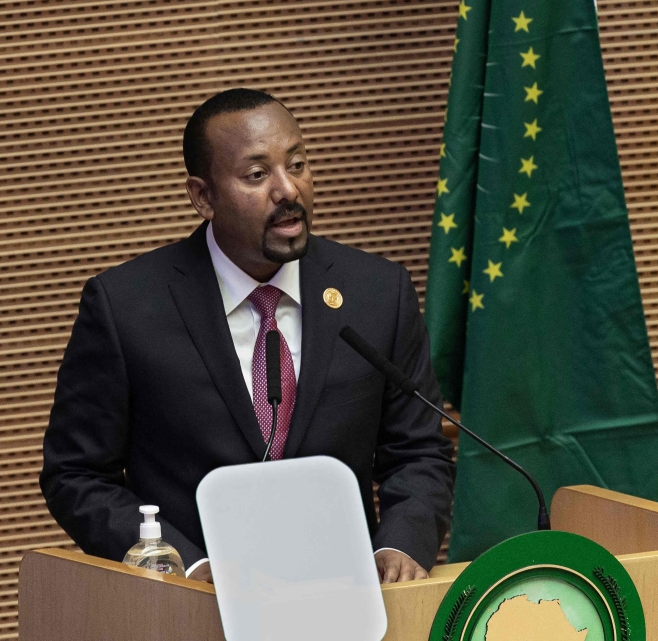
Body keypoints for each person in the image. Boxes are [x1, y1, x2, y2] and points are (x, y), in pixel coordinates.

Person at [40, 88, 455, 584]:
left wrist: (400, 544)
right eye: (257, 175)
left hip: (348, 595)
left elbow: (418, 452)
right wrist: (182, 565)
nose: (288, 190)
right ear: (203, 197)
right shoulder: (126, 307)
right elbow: (76, 474)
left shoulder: (377, 293)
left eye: (297, 165)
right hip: (192, 606)